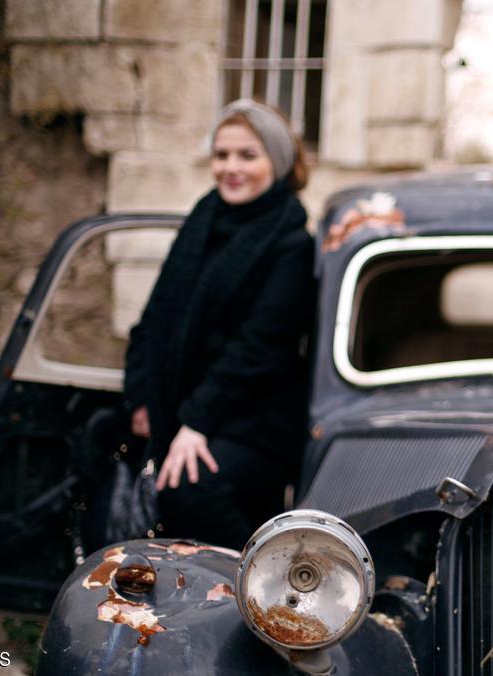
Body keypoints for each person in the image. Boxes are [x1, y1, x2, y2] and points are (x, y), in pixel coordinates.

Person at [124, 99, 316, 550]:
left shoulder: (290, 241)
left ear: (278, 162)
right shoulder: (202, 220)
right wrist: (140, 396)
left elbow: (260, 348)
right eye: (222, 154)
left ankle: (272, 589)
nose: (231, 167)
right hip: (191, 404)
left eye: (248, 156)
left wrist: (195, 424)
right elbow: (154, 320)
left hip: (254, 416)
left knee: (185, 490)